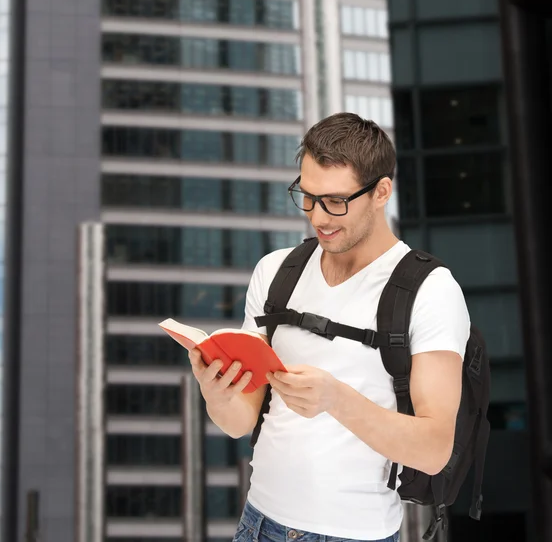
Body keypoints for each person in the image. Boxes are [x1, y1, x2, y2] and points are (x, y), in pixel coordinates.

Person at [188, 113, 470, 542]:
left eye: (335, 201)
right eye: (307, 195)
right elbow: (240, 422)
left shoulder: (430, 290)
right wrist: (215, 392)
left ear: (381, 192)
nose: (318, 216)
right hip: (258, 523)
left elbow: (434, 451)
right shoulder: (275, 271)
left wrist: (336, 399)